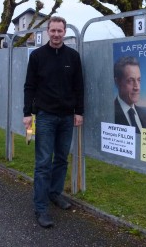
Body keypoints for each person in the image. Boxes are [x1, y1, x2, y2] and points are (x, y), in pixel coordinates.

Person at [23, 16, 84, 228]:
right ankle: (40, 208)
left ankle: (54, 193)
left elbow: (79, 87)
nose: (56, 34)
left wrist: (79, 112)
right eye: (53, 30)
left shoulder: (73, 56)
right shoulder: (38, 56)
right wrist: (27, 113)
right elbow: (29, 86)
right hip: (45, 117)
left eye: (60, 31)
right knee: (42, 164)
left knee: (61, 159)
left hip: (67, 117)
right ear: (47, 31)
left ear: (65, 32)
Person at [114, 56, 146, 133]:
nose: (137, 87)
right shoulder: (109, 113)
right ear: (117, 82)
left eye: (139, 80)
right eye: (131, 80)